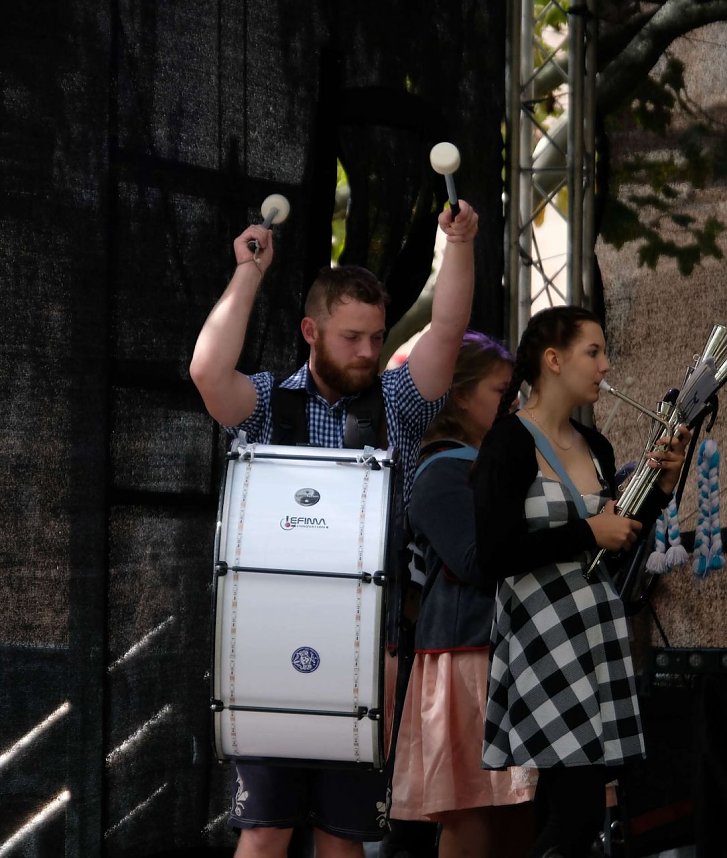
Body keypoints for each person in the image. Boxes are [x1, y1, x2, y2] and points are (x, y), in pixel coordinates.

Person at [190, 198, 478, 858]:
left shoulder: (398, 405)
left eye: (376, 337)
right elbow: (207, 372)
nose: (368, 351)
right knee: (263, 832)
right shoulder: (265, 403)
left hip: (367, 658)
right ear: (310, 332)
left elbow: (445, 330)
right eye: (352, 337)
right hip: (266, 655)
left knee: (342, 838)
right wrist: (247, 273)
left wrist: (457, 245)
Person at [471, 305, 690, 858]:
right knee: (575, 815)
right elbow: (492, 555)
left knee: (579, 810)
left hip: (594, 638)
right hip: (544, 645)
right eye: (592, 352)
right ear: (553, 359)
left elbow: (618, 548)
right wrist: (588, 531)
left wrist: (659, 491)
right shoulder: (508, 443)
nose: (605, 365)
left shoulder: (598, 447)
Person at [389, 331, 538, 858]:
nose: (512, 402)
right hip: (466, 658)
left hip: (500, 650)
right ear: (459, 394)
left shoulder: (484, 462)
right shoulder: (441, 472)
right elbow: (476, 562)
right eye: (501, 391)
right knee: (472, 811)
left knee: (517, 808)